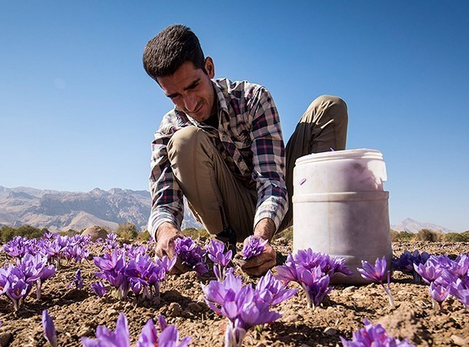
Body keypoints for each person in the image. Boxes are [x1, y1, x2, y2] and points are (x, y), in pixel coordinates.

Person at [143, 24, 348, 276]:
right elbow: (164, 201)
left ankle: (319, 237)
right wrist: (166, 233)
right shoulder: (169, 128)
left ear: (209, 68)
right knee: (184, 139)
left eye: (194, 86)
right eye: (174, 96)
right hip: (230, 216)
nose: (190, 104)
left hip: (281, 201)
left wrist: (261, 237)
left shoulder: (253, 99)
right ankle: (224, 243)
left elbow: (272, 180)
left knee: (329, 107)